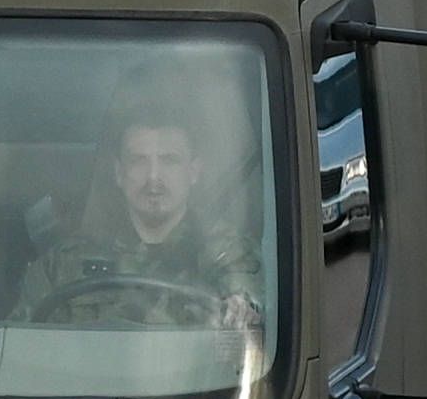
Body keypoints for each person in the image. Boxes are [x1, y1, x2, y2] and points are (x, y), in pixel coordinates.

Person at [15, 101, 268, 331]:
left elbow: (247, 301)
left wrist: (241, 306)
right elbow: (19, 345)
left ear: (193, 172)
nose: (153, 177)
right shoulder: (63, 263)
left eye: (169, 160)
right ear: (119, 173)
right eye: (138, 161)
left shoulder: (229, 253)